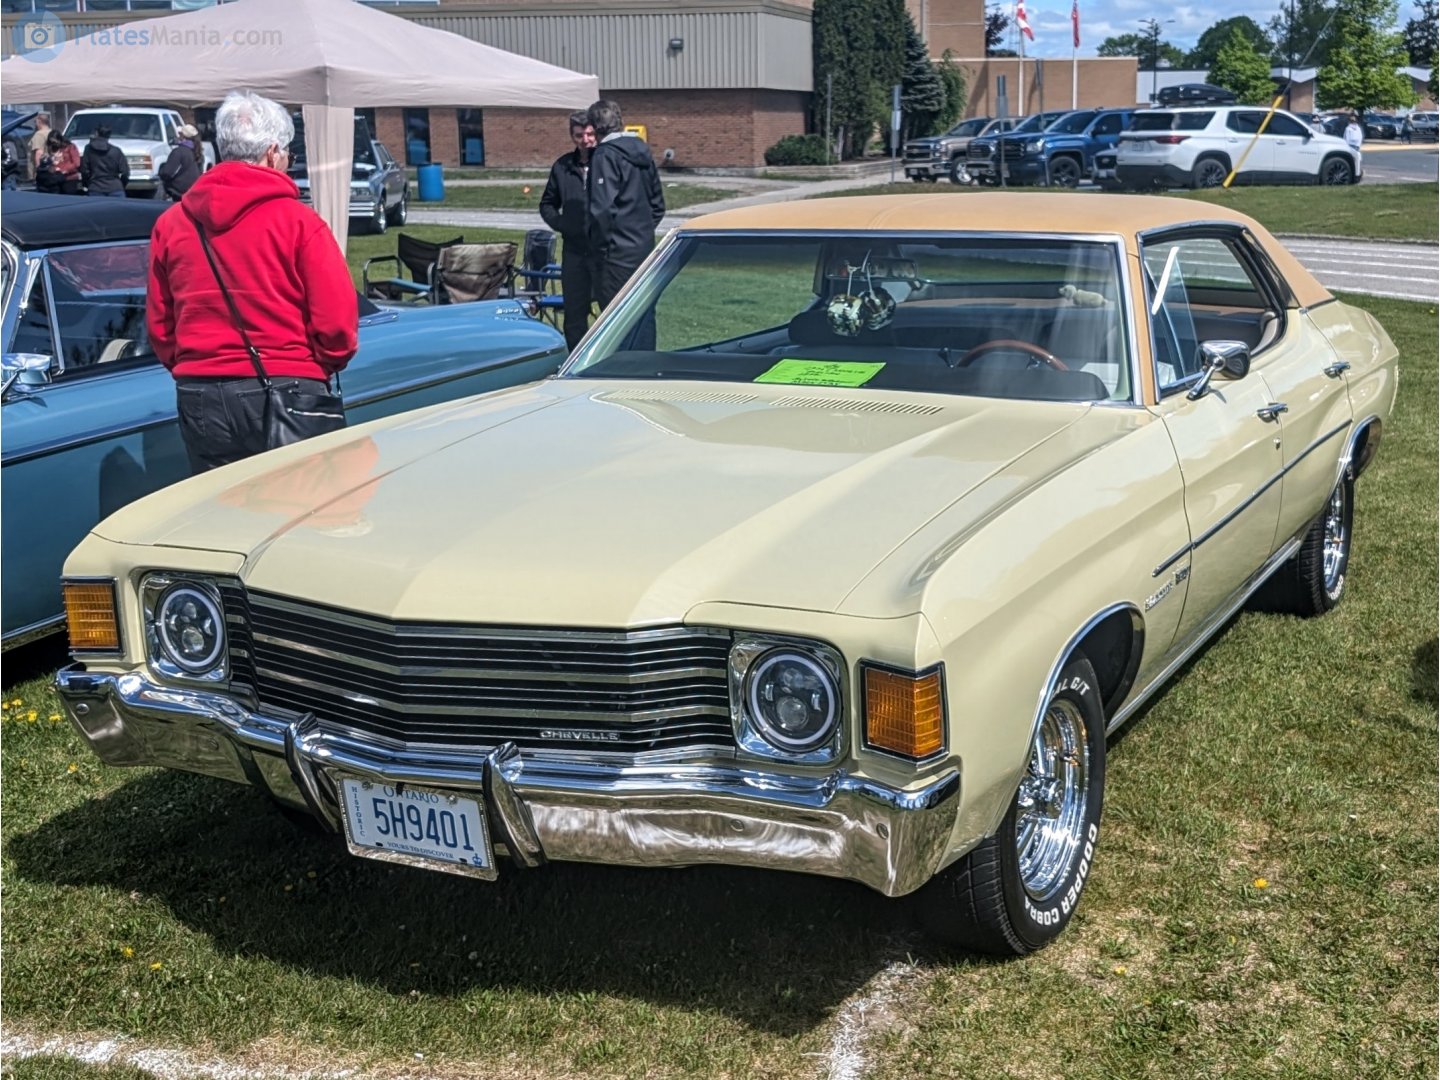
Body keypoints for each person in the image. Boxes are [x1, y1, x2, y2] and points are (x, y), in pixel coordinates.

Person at [146, 89, 358, 474]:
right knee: (300, 514)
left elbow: (161, 326)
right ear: (273, 152)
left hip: (201, 390)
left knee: (223, 518)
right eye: (288, 154)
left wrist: (194, 363)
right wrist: (317, 366)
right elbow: (338, 324)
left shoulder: (171, 223)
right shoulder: (299, 222)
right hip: (287, 383)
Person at [585, 99, 665, 348]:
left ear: (596, 127)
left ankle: (621, 370)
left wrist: (601, 247)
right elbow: (657, 205)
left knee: (616, 318)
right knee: (643, 313)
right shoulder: (642, 151)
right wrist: (639, 233)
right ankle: (646, 366)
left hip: (615, 254)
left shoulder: (605, 155)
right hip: (642, 247)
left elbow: (602, 209)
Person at [539, 110, 597, 350]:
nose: (585, 140)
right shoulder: (562, 167)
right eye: (579, 135)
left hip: (604, 250)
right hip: (574, 252)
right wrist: (563, 224)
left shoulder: (607, 163)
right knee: (574, 315)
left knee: (611, 308)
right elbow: (547, 204)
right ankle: (575, 359)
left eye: (590, 134)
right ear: (572, 136)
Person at [158, 122, 204, 200]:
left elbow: (167, 173)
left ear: (183, 136)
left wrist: (161, 171)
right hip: (192, 191)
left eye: (180, 134)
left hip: (177, 192)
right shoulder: (198, 153)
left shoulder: (178, 152)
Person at [80, 125, 130, 197]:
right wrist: (121, 185)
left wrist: (87, 184)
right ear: (109, 136)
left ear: (97, 133)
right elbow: (125, 172)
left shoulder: (88, 149)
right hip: (115, 187)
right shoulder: (116, 151)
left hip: (95, 187)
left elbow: (84, 170)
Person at [34, 130, 81, 195]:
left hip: (69, 179)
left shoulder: (70, 147)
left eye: (55, 142)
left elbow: (77, 163)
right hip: (57, 179)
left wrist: (64, 170)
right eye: (51, 142)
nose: (54, 144)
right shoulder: (52, 148)